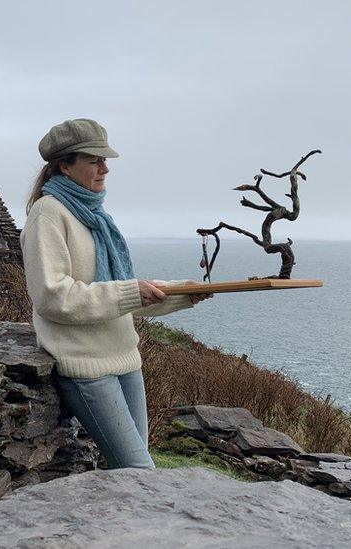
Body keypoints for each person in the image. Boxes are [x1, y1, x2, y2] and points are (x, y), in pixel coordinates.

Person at [20, 118, 213, 470]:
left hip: (126, 359)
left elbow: (121, 296)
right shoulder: (48, 215)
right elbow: (52, 296)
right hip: (86, 366)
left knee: (135, 473)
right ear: (64, 164)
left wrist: (184, 294)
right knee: (140, 472)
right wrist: (131, 291)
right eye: (94, 160)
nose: (105, 168)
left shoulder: (97, 216)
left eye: (105, 160)